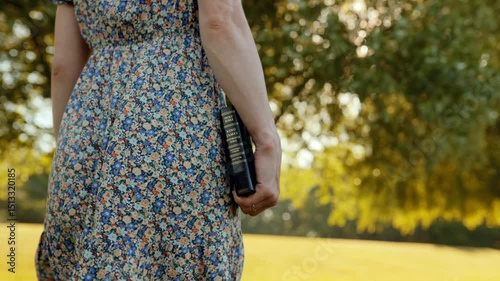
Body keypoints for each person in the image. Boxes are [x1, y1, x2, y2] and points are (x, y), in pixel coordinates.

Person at [35, 0, 282, 280]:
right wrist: (266, 140)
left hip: (85, 131)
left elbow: (63, 67)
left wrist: (71, 151)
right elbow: (220, 20)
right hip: (176, 125)